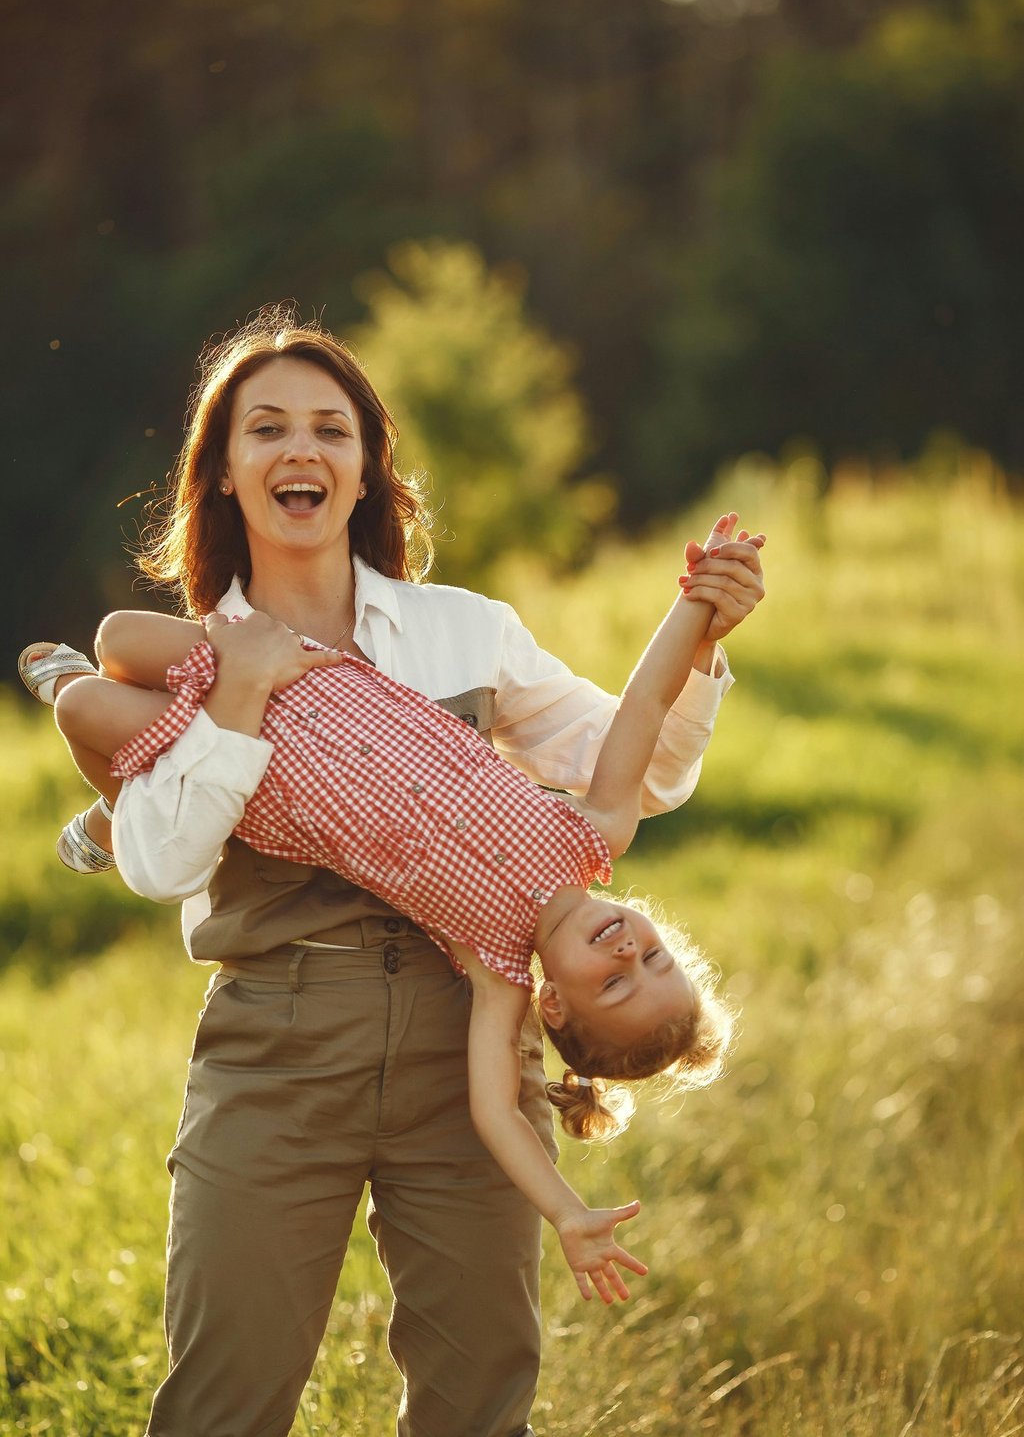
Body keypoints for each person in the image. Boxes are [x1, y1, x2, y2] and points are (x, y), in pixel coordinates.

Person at [20, 307, 765, 1437]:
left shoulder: (466, 635)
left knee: (478, 1396)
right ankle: (108, 791)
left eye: (331, 428)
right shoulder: (204, 636)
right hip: (278, 1038)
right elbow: (169, 867)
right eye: (267, 429)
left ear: (367, 466)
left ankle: (110, 794)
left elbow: (639, 751)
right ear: (224, 470)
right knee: (223, 1396)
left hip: (451, 1039)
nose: (301, 449)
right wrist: (238, 681)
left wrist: (704, 622)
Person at [22, 508, 762, 1303]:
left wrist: (568, 1212)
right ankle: (120, 813)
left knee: (81, 707)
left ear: (552, 1003)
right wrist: (699, 606)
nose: (627, 952)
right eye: (654, 956)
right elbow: (645, 706)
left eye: (615, 983)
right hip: (322, 681)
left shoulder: (497, 970)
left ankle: (123, 806)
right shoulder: (595, 830)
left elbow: (497, 1113)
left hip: (267, 776)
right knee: (120, 638)